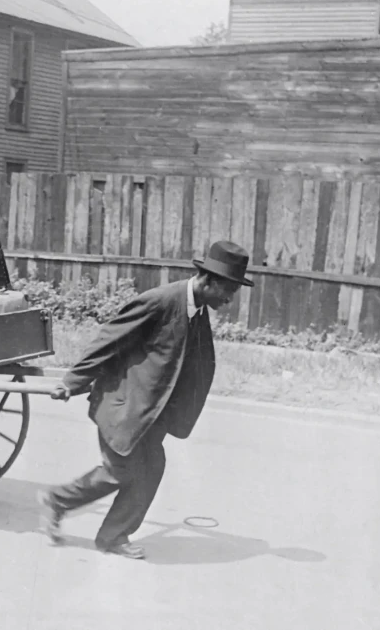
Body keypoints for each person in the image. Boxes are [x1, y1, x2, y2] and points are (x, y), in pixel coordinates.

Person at [38, 240, 254, 560]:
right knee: (119, 471)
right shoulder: (160, 302)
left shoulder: (197, 310)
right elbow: (109, 339)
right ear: (209, 281)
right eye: (229, 290)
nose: (230, 299)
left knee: (152, 468)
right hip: (123, 404)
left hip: (151, 412)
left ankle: (113, 536)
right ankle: (58, 500)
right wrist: (73, 381)